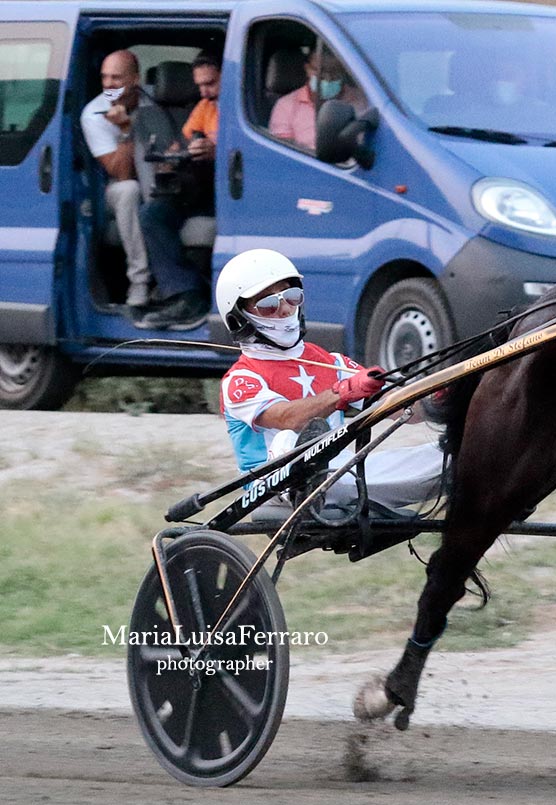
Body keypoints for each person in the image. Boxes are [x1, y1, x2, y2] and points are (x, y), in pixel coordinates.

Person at [216, 248, 444, 511]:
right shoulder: (240, 380)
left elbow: (402, 408)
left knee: (452, 456)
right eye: (268, 305)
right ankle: (304, 483)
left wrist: (440, 399)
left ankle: (319, 481)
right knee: (287, 441)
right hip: (270, 485)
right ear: (239, 317)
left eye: (291, 297)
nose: (285, 309)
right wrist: (342, 393)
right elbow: (288, 418)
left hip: (340, 471)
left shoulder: (334, 363)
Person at [137, 53, 221, 331]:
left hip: (230, 188)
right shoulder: (205, 106)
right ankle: (185, 294)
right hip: (196, 187)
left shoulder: (241, 107)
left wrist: (216, 151)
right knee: (152, 215)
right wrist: (174, 156)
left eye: (210, 83)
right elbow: (186, 140)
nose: (204, 92)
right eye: (199, 85)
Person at [80, 50, 151, 307]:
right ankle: (139, 281)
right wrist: (124, 130)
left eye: (116, 78)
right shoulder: (94, 113)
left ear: (135, 79)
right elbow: (121, 173)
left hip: (156, 178)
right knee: (129, 190)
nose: (108, 84)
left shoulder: (153, 100)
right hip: (109, 191)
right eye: (104, 77)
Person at [268, 47, 368, 153]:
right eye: (321, 72)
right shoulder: (286, 106)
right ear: (307, 69)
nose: (328, 79)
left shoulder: (363, 99)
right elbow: (284, 152)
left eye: (335, 73)